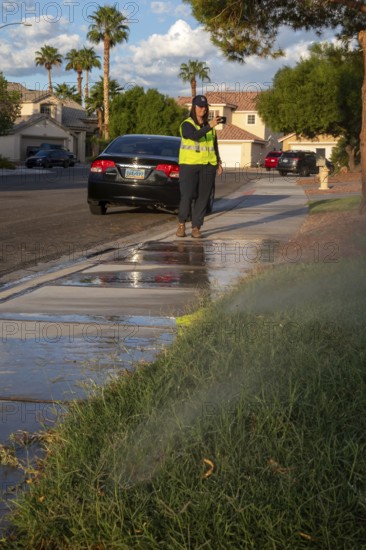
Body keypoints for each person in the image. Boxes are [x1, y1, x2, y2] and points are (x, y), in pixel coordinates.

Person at [176, 95, 223, 239]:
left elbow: (214, 145)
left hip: (208, 166)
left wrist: (218, 162)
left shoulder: (210, 127)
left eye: (205, 107)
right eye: (200, 107)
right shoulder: (187, 124)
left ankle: (196, 227)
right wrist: (210, 126)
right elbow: (194, 136)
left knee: (203, 198)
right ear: (194, 108)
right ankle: (182, 224)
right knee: (187, 196)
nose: (203, 109)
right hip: (189, 165)